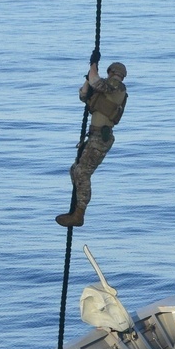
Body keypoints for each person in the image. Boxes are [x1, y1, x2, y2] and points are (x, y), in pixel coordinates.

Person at [56, 60, 128, 228]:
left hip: (101, 138)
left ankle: (79, 214)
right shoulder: (107, 88)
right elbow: (83, 94)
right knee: (75, 170)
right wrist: (88, 78)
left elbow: (96, 81)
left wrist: (93, 66)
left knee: (82, 172)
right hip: (94, 136)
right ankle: (76, 207)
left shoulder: (116, 86)